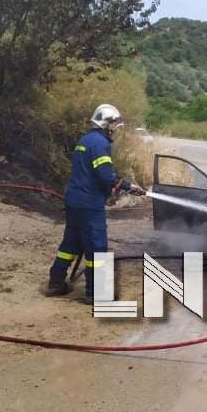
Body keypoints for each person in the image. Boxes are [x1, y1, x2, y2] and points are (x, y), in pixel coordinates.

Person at [46, 104, 145, 303]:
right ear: (105, 124)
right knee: (97, 247)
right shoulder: (100, 144)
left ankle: (56, 283)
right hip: (89, 203)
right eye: (114, 125)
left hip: (74, 201)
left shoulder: (85, 140)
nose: (115, 129)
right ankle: (97, 293)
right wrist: (126, 185)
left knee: (70, 243)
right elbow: (104, 176)